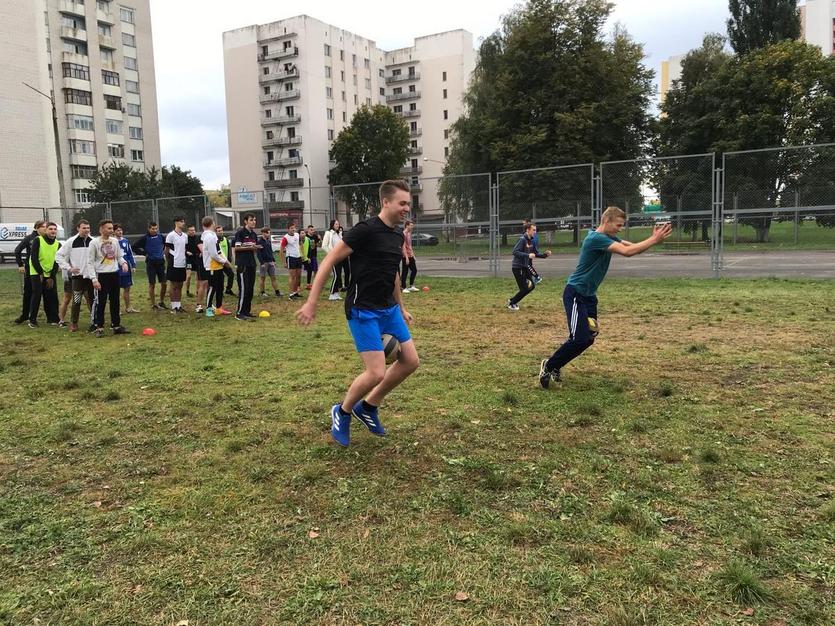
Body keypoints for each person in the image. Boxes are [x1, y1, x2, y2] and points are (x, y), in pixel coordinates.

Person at [297, 180, 419, 447]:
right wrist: (312, 301)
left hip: (388, 309)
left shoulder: (397, 235)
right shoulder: (364, 231)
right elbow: (329, 260)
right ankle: (342, 411)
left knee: (411, 361)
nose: (406, 208)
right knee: (375, 373)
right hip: (363, 309)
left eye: (408, 203)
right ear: (385, 202)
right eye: (402, 203)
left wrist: (401, 307)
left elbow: (394, 274)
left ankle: (369, 406)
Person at [538, 207, 672, 388]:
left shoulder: (607, 237)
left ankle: (556, 365)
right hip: (576, 294)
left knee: (589, 337)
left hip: (589, 297)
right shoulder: (595, 238)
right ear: (607, 221)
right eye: (618, 225)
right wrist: (654, 239)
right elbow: (627, 252)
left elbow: (630, 247)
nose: (620, 229)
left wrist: (653, 239)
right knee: (579, 338)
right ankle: (550, 366)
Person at [84, 219, 130, 338]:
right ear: (101, 229)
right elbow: (89, 262)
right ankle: (99, 327)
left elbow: (119, 256)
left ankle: (116, 325)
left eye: (111, 228)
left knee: (115, 300)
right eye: (108, 228)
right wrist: (94, 279)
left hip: (114, 274)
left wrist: (123, 263)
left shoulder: (114, 241)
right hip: (101, 275)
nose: (111, 230)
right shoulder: (94, 243)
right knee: (101, 301)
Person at [55, 219, 94, 332]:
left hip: (91, 277)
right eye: (84, 228)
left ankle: (95, 321)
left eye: (88, 228)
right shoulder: (71, 241)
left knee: (92, 300)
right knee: (76, 300)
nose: (86, 230)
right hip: (78, 277)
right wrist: (69, 268)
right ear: (78, 228)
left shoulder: (93, 241)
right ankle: (74, 322)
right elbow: (58, 256)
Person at [507, 223, 551, 311]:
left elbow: (535, 254)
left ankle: (513, 300)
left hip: (525, 267)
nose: (535, 232)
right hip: (517, 267)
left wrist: (545, 255)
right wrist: (527, 255)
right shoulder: (522, 239)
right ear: (527, 230)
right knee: (524, 288)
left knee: (531, 286)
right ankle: (512, 304)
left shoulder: (531, 241)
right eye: (533, 230)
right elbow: (515, 252)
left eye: (535, 230)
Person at [27, 222, 61, 328]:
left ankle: (53, 318)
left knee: (51, 296)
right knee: (37, 295)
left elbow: (57, 261)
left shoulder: (58, 244)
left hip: (50, 273)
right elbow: (34, 258)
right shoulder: (38, 240)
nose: (53, 231)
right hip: (37, 273)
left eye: (55, 229)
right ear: (45, 230)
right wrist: (40, 273)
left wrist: (51, 276)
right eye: (50, 229)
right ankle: (32, 320)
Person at [13, 220, 47, 325]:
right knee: (29, 292)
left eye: (46, 227)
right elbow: (17, 250)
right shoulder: (30, 238)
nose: (45, 229)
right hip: (30, 270)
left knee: (44, 293)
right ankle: (25, 315)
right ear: (37, 228)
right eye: (43, 227)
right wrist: (20, 265)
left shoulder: (47, 239)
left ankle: (51, 317)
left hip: (44, 269)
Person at [201, 216, 234, 317]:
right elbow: (213, 254)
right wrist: (225, 262)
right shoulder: (209, 237)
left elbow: (219, 251)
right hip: (212, 267)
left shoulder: (213, 236)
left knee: (220, 287)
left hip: (218, 266)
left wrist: (226, 260)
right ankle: (209, 309)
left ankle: (219, 308)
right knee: (212, 287)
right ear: (212, 224)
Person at [132, 222, 167, 310]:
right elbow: (134, 247)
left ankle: (162, 301)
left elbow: (165, 246)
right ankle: (153, 304)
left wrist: (161, 253)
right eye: (153, 229)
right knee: (152, 284)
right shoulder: (145, 238)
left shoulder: (161, 237)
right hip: (151, 263)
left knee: (164, 283)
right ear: (149, 229)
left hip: (160, 263)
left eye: (156, 229)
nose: (154, 230)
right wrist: (144, 253)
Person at [232, 213, 260, 321]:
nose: (253, 222)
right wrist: (250, 246)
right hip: (242, 264)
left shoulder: (253, 234)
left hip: (251, 264)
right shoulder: (240, 233)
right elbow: (237, 248)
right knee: (243, 289)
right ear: (246, 221)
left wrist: (256, 247)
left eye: (254, 220)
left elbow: (254, 248)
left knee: (250, 289)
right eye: (251, 220)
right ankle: (239, 313)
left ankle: (246, 311)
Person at [164, 216, 189, 314]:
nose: (183, 223)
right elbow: (166, 250)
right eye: (181, 221)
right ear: (176, 223)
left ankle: (178, 305)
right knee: (173, 285)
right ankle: (174, 307)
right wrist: (168, 260)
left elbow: (184, 249)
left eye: (183, 221)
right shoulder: (171, 235)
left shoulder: (185, 236)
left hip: (182, 263)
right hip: (173, 263)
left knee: (180, 284)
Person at [114, 224, 139, 313]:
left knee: (127, 288)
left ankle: (128, 308)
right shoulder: (112, 242)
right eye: (117, 230)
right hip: (116, 268)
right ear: (113, 232)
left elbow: (130, 254)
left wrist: (133, 265)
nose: (120, 232)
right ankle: (117, 310)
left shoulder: (125, 241)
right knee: (115, 290)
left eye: (121, 230)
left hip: (126, 268)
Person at [321, 219, 344, 300]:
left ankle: (336, 293)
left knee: (339, 276)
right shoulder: (329, 233)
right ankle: (332, 293)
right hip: (333, 258)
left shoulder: (339, 234)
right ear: (332, 225)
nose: (338, 225)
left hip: (340, 257)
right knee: (336, 275)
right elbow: (324, 246)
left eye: (338, 224)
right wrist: (331, 254)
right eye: (336, 224)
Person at [257, 227, 281, 297]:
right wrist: (262, 263)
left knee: (273, 277)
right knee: (262, 278)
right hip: (264, 262)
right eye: (267, 233)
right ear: (263, 233)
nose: (269, 234)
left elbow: (270, 251)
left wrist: (273, 260)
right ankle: (262, 292)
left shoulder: (268, 241)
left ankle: (277, 292)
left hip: (270, 262)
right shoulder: (259, 242)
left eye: (269, 233)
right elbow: (259, 253)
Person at [280, 222, 302, 300]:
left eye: (294, 228)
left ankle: (296, 292)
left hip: (298, 257)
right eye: (291, 228)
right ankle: (291, 294)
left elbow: (300, 244)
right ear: (288, 229)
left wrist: (302, 254)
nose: (293, 229)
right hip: (291, 257)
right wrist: (284, 262)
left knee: (298, 276)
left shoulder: (297, 235)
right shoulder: (285, 238)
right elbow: (281, 250)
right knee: (292, 276)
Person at [215, 224, 236, 296]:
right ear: (215, 232)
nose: (220, 232)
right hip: (218, 262)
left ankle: (228, 289)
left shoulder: (225, 239)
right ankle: (220, 291)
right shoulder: (214, 240)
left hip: (226, 262)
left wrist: (229, 259)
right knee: (221, 278)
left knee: (231, 274)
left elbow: (229, 249)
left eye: (221, 230)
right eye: (218, 231)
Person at [522, 218, 543, 284]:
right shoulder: (529, 233)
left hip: (530, 251)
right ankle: (528, 279)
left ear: (528, 224)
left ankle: (537, 277)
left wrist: (530, 249)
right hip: (530, 250)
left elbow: (532, 242)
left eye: (524, 223)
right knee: (527, 265)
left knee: (528, 265)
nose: (523, 225)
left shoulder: (532, 234)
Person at [400, 220, 418, 293]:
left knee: (414, 270)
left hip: (410, 255)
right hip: (405, 256)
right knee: (405, 272)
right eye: (411, 225)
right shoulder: (403, 234)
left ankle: (411, 286)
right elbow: (403, 246)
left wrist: (413, 255)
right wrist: (406, 257)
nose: (412, 226)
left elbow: (409, 246)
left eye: (412, 225)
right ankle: (403, 287)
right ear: (407, 225)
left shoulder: (409, 234)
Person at [184, 225, 200, 298]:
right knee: (189, 276)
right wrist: (186, 252)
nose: (192, 231)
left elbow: (201, 246)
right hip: (189, 259)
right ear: (188, 231)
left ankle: (197, 291)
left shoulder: (198, 238)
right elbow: (182, 248)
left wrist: (200, 253)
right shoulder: (185, 238)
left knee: (198, 277)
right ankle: (187, 291)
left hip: (196, 259)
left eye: (193, 230)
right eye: (190, 230)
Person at [304, 225, 320, 290]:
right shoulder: (305, 237)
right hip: (308, 256)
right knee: (309, 270)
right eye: (311, 230)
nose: (312, 231)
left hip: (314, 255)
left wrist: (319, 239)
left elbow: (318, 244)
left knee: (316, 270)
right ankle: (308, 284)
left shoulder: (315, 236)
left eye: (313, 230)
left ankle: (315, 283)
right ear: (308, 230)